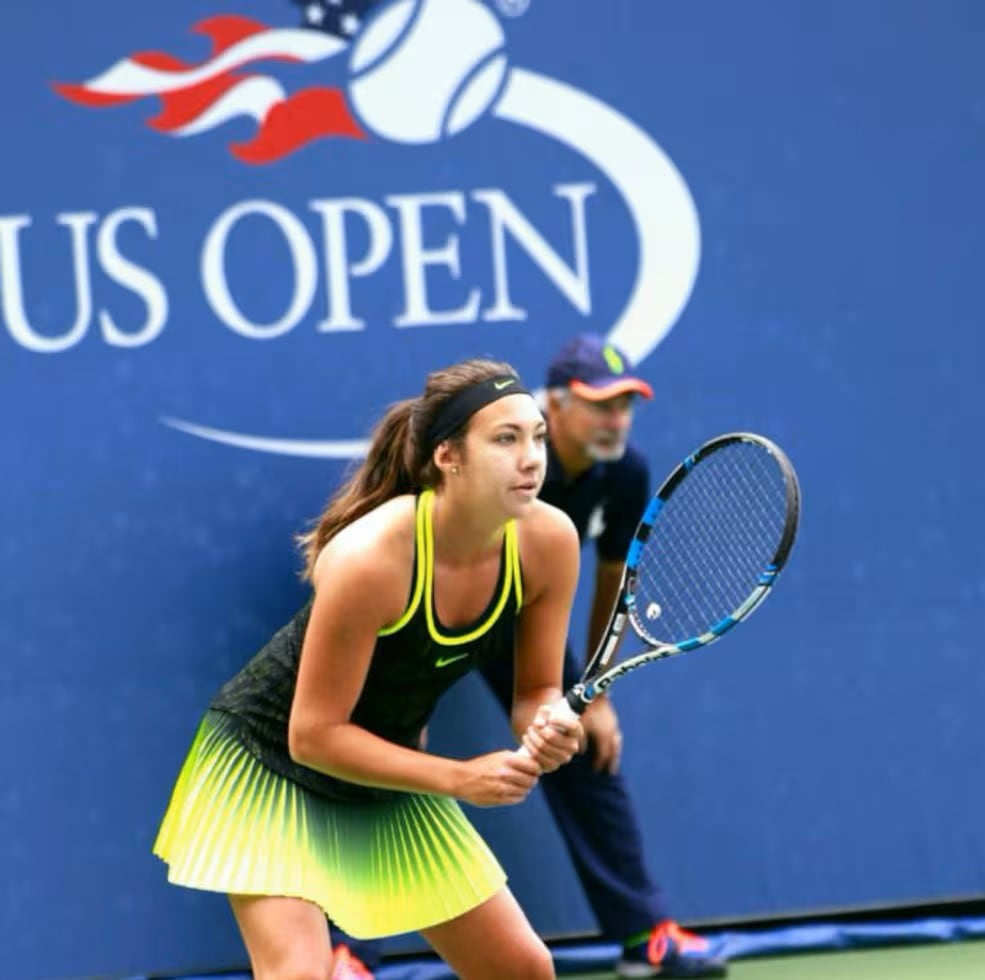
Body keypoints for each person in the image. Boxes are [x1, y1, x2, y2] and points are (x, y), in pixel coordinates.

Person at [153, 358, 587, 980]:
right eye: (505, 439)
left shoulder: (550, 543)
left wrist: (547, 724)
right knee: (299, 974)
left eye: (538, 436)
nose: (531, 458)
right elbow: (313, 736)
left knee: (522, 970)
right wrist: (459, 779)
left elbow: (537, 689)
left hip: (384, 768)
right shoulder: (371, 560)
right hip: (268, 762)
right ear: (448, 456)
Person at [334, 336, 730, 979]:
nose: (616, 421)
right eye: (600, 405)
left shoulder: (624, 473)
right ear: (556, 405)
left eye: (626, 406)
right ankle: (347, 954)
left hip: (521, 621)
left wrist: (594, 694)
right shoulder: (458, 478)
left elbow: (615, 582)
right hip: (429, 609)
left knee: (581, 746)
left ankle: (644, 936)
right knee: (389, 757)